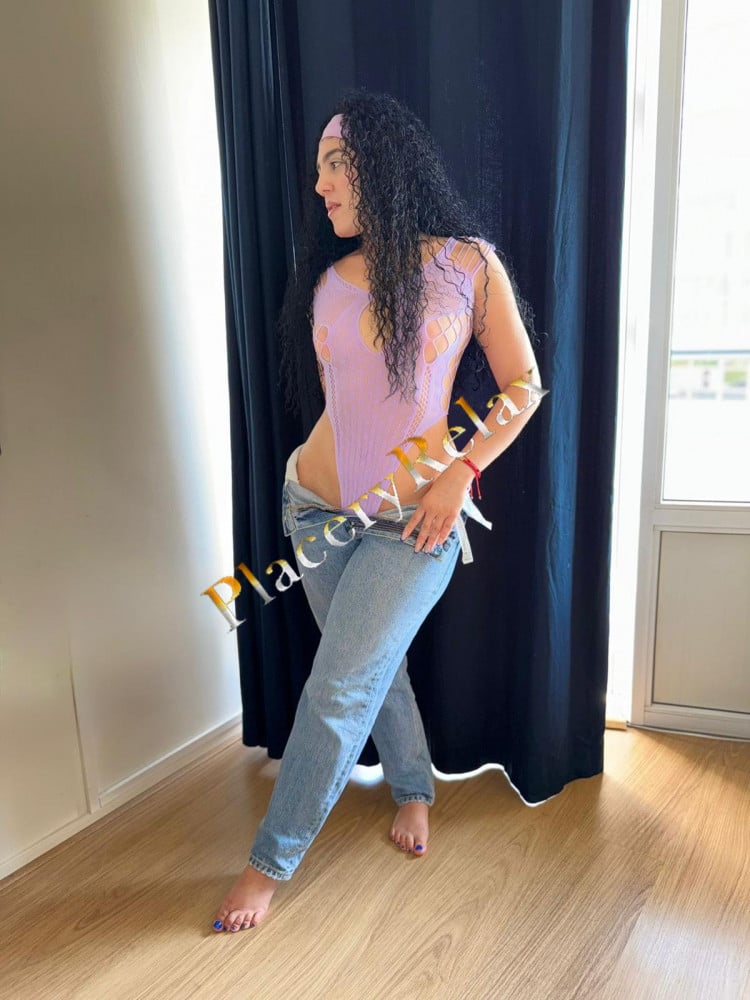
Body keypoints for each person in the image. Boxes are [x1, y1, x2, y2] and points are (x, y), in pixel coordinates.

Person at [212, 89, 545, 933]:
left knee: (340, 684)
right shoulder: (327, 281)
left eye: (336, 164)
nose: (320, 184)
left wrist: (462, 470)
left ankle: (267, 864)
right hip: (312, 508)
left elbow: (523, 385)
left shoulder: (467, 266)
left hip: (415, 521)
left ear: (384, 165)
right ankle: (412, 785)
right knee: (369, 665)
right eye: (318, 167)